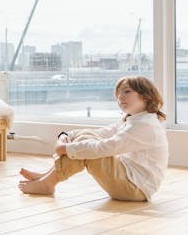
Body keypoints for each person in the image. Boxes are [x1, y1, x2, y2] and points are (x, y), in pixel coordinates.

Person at [18, 76, 168, 201]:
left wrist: (66, 148)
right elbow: (101, 133)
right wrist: (66, 136)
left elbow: (107, 147)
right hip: (129, 182)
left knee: (87, 148)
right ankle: (47, 177)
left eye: (127, 91)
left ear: (146, 96)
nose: (120, 97)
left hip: (134, 188)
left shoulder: (145, 126)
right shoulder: (132, 119)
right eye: (118, 93)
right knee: (86, 141)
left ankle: (48, 183)